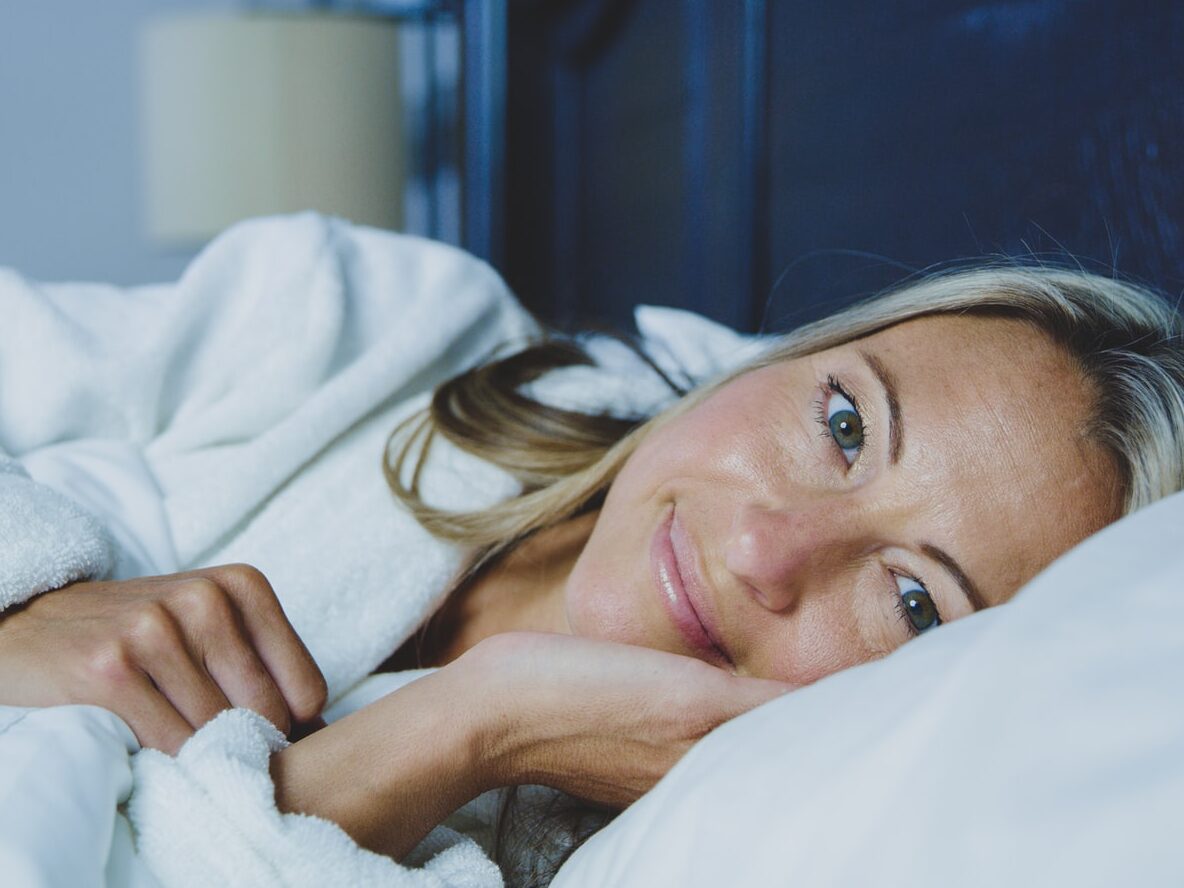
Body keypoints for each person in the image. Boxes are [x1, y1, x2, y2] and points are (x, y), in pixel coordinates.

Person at [1, 217, 1182, 884]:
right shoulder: (391, 327)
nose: (769, 549)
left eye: (914, 602)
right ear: (773, 359)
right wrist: (28, 599)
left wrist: (475, 725)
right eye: (841, 424)